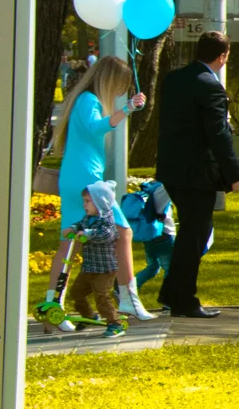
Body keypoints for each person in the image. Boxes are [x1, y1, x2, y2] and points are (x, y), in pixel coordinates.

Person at [153, 31, 239, 317]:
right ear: (222, 56)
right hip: (197, 173)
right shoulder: (211, 86)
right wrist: (234, 175)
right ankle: (183, 299)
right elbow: (218, 135)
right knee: (195, 233)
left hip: (172, 168)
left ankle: (173, 292)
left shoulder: (174, 79)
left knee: (191, 231)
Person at [42, 53, 142, 319]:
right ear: (111, 80)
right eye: (120, 85)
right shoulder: (90, 100)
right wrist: (127, 109)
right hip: (87, 179)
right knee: (123, 232)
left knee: (68, 243)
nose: (121, 91)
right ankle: (129, 299)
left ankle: (53, 305)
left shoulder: (84, 99)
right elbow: (95, 128)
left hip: (74, 177)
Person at [61, 181, 127, 337]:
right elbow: (80, 224)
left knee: (101, 296)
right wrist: (73, 228)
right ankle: (89, 316)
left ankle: (115, 324)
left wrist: (87, 234)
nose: (84, 205)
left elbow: (106, 235)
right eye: (84, 201)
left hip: (104, 269)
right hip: (89, 267)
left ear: (100, 202)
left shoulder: (107, 220)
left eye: (87, 201)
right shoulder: (88, 218)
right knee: (76, 293)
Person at [119, 178, 173, 313]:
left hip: (148, 232)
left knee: (153, 266)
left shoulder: (149, 188)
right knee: (171, 268)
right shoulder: (163, 188)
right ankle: (169, 300)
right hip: (164, 233)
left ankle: (126, 292)